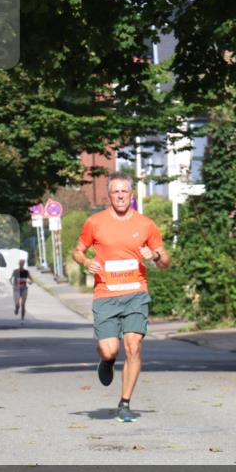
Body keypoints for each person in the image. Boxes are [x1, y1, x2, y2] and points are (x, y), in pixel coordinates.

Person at [73, 173, 170, 423]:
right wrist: (86, 262)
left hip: (136, 293)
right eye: (115, 192)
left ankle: (125, 403)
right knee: (109, 350)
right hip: (106, 294)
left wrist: (155, 257)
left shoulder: (146, 224)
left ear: (131, 195)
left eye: (124, 191)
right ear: (109, 195)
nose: (120, 196)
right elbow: (78, 251)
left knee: (134, 347)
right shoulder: (95, 222)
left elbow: (165, 261)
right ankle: (107, 361)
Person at [10, 258, 30, 322]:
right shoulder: (15, 271)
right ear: (19, 264)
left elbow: (31, 279)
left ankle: (22, 319)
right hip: (16, 289)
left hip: (24, 289)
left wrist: (30, 282)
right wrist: (12, 283)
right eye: (20, 263)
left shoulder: (26, 272)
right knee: (17, 304)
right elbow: (10, 279)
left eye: (22, 263)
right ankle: (16, 308)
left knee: (23, 304)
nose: (21, 264)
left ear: (24, 264)